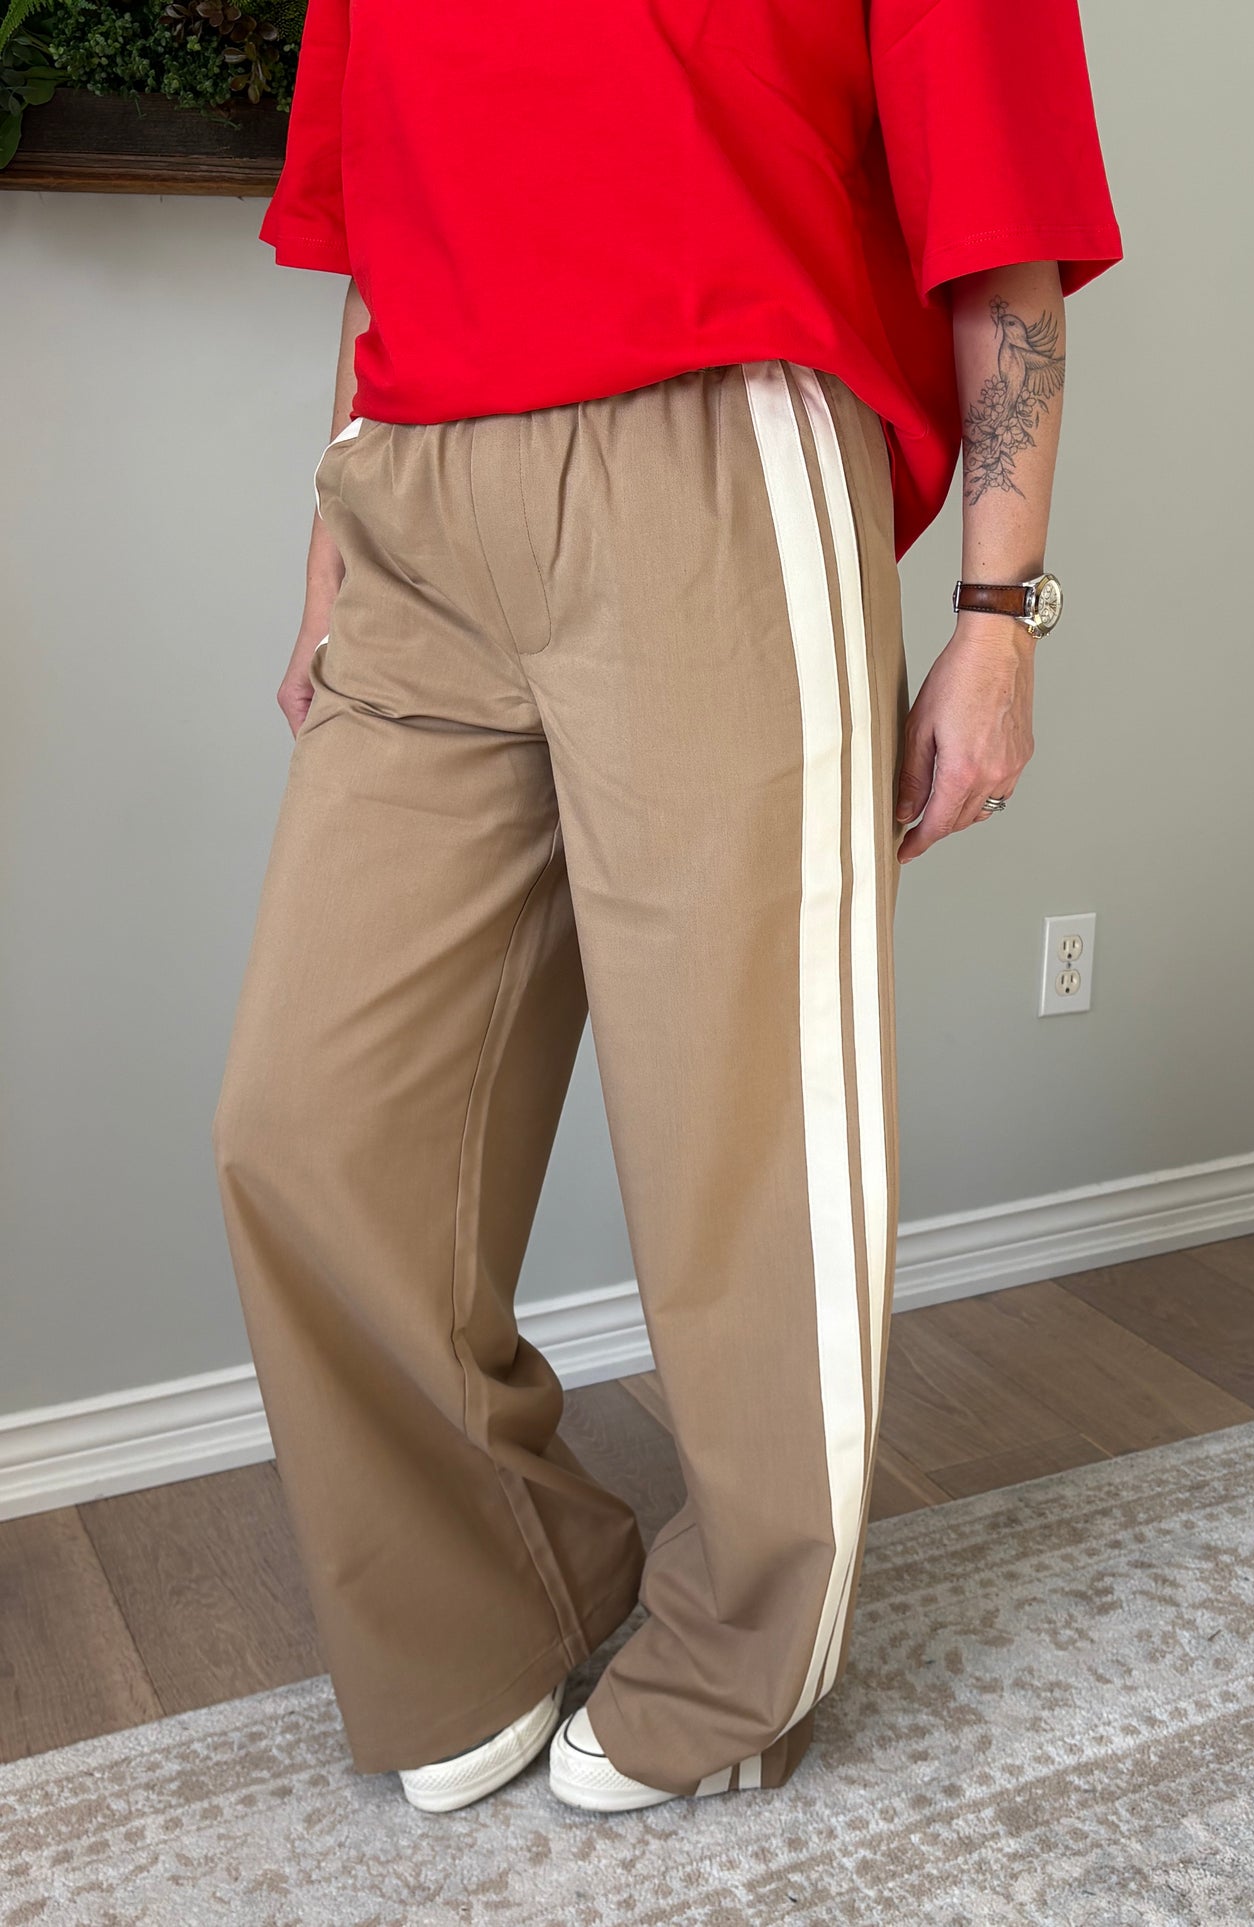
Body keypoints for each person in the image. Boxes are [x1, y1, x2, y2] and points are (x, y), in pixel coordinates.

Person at [211, 0, 1122, 1818]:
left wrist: (995, 618)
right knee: (302, 1128)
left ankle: (741, 1659)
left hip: (714, 450)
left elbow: (1001, 239)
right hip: (419, 487)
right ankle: (497, 1597)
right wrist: (329, 540)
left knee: (737, 1133)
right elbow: (383, 229)